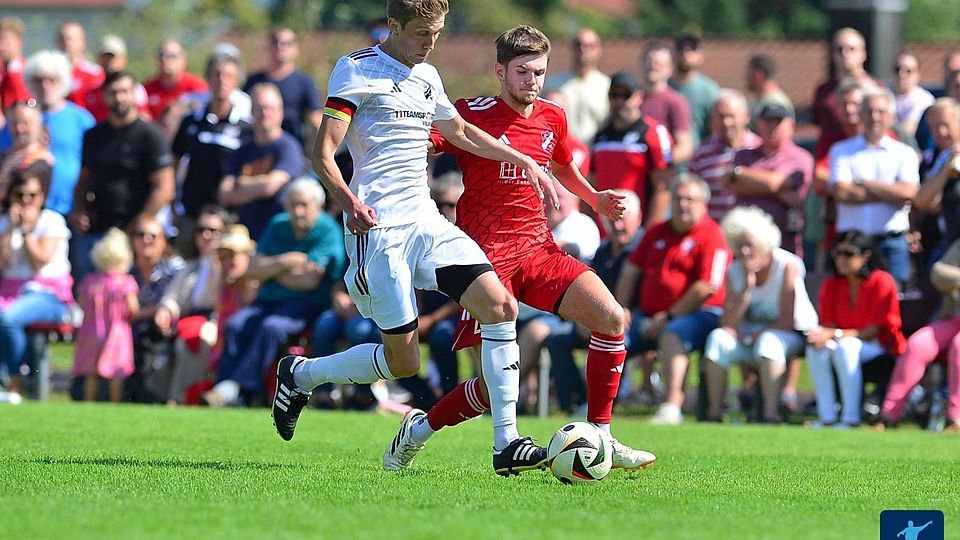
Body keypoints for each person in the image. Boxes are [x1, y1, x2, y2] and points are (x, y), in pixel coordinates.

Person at [271, 1, 561, 478]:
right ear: (394, 26)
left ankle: (506, 443)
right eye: (423, 32)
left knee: (501, 306)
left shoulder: (429, 77)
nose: (431, 42)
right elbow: (322, 153)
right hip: (378, 231)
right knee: (403, 361)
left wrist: (523, 159)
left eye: (438, 33)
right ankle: (300, 375)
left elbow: (460, 131)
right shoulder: (356, 69)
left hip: (426, 223)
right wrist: (349, 203)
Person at [424, 23, 654, 471]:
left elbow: (564, 167)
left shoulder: (553, 116)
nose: (533, 82)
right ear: (500, 71)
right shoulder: (469, 113)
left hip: (537, 249)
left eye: (540, 72)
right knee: (491, 392)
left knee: (611, 318)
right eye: (523, 72)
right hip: (484, 261)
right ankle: (419, 428)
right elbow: (423, 144)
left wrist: (595, 199)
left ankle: (602, 437)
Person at [209, 178, 344, 406]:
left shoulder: (328, 230)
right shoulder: (277, 224)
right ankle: (223, 387)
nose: (297, 211)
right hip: (267, 300)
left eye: (303, 205)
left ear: (318, 205)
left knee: (271, 327)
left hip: (305, 304)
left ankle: (239, 389)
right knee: (236, 324)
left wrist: (270, 269)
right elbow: (252, 269)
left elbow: (310, 281)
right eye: (292, 205)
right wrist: (288, 261)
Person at [614, 173, 730, 425]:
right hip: (648, 314)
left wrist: (669, 316)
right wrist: (621, 309)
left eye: (690, 199)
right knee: (612, 334)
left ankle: (671, 405)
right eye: (678, 198)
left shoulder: (712, 234)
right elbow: (631, 270)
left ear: (704, 204)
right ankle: (597, 405)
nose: (683, 204)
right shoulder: (656, 231)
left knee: (673, 334)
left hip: (700, 314)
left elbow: (707, 286)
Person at [702, 207, 817, 423]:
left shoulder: (787, 265)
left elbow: (787, 320)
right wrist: (745, 291)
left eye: (750, 245)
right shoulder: (734, 271)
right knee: (717, 339)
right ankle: (715, 413)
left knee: (768, 342)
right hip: (749, 339)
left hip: (792, 335)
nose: (745, 251)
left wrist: (755, 336)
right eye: (740, 245)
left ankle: (770, 414)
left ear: (765, 244)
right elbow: (727, 323)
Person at [544, 189, 643, 413]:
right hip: (600, 318)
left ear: (638, 217)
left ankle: (605, 406)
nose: (618, 226)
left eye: (624, 219)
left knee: (618, 340)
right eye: (613, 220)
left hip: (638, 319)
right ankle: (576, 403)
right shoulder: (603, 251)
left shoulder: (645, 248)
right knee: (557, 339)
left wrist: (629, 312)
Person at [70, 70, 175, 282]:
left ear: (134, 94)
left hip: (135, 237)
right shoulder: (94, 136)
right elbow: (82, 181)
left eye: (125, 91)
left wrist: (138, 225)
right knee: (93, 300)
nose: (119, 97)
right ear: (104, 96)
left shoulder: (151, 135)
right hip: (98, 233)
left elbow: (165, 187)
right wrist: (80, 209)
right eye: (113, 92)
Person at [806, 231, 905, 428]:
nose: (841, 259)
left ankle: (851, 419)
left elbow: (873, 331)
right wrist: (824, 335)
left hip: (881, 348)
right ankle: (827, 417)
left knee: (846, 346)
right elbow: (829, 324)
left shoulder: (881, 281)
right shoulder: (832, 284)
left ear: (865, 256)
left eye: (848, 254)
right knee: (816, 348)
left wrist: (835, 334)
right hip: (846, 346)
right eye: (838, 254)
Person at [829, 86, 920, 289]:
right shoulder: (842, 150)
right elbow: (842, 192)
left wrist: (866, 184)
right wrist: (890, 193)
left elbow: (909, 193)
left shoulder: (904, 153)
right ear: (861, 115)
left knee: (895, 301)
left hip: (891, 244)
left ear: (891, 116)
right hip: (852, 245)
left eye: (880, 112)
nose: (875, 117)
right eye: (869, 111)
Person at [0, 165, 74, 404]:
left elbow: (40, 260)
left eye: (32, 195)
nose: (26, 201)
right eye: (20, 195)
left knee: (9, 318)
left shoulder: (52, 221)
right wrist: (11, 229)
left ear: (42, 197)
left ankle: (14, 384)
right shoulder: (4, 224)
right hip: (10, 292)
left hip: (48, 295)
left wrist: (27, 230)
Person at [172, 51, 252, 251]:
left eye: (228, 76)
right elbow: (173, 161)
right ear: (208, 78)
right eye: (217, 74)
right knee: (187, 268)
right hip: (192, 212)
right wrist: (173, 201)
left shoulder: (246, 127)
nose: (222, 81)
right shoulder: (191, 121)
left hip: (230, 215)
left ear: (237, 81)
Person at [879, 238, 960, 432]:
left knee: (959, 347)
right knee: (917, 344)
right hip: (953, 318)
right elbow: (938, 274)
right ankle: (889, 415)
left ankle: (955, 419)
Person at [153, 205, 227, 404]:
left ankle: (181, 397)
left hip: (214, 320)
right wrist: (165, 310)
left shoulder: (225, 266)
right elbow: (172, 298)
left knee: (196, 339)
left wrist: (218, 258)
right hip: (187, 320)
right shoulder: (189, 267)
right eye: (201, 230)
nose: (206, 235)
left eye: (213, 231)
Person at [217, 83, 303, 241]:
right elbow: (225, 193)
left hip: (277, 236)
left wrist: (239, 183)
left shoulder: (288, 147)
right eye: (260, 108)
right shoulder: (242, 150)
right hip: (243, 235)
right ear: (251, 112)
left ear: (281, 112)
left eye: (271, 108)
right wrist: (259, 187)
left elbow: (270, 187)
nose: (265, 113)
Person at [727, 103, 814, 257]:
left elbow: (774, 183)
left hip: (784, 245)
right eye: (768, 122)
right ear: (759, 125)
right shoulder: (743, 155)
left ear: (791, 126)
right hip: (745, 246)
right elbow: (730, 182)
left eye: (778, 122)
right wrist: (778, 193)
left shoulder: (800, 157)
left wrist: (743, 176)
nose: (773, 127)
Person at [590, 71, 672, 228]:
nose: (619, 101)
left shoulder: (653, 133)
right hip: (605, 232)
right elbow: (592, 182)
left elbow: (663, 188)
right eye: (614, 95)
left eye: (626, 95)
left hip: (638, 229)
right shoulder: (600, 136)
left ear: (639, 97)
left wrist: (647, 233)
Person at [23, 50, 96, 216]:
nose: (45, 85)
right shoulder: (23, 118)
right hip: (31, 209)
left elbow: (94, 162)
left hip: (72, 208)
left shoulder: (81, 119)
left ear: (62, 81)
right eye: (38, 79)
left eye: (51, 80)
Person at [72, 228, 139, 403]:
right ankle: (115, 403)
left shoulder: (90, 281)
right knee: (116, 371)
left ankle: (88, 402)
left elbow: (80, 303)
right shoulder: (125, 282)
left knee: (91, 372)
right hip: (117, 332)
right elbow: (133, 308)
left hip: (91, 331)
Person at [688, 88, 761, 221]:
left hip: (749, 232)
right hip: (715, 232)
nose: (726, 123)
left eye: (731, 116)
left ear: (746, 117)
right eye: (721, 117)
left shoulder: (759, 148)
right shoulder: (701, 153)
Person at [244, 27, 322, 149]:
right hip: (256, 152)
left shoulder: (304, 83)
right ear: (268, 46)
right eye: (276, 42)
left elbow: (316, 123)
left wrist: (308, 154)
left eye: (287, 43)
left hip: (292, 152)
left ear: (296, 49)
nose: (281, 46)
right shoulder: (253, 81)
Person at [543, 28, 609, 144]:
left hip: (595, 154)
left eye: (589, 46)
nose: (583, 50)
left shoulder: (607, 86)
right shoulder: (553, 83)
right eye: (578, 45)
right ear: (572, 48)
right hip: (562, 155)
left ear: (599, 49)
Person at [812, 28, 875, 148]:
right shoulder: (823, 91)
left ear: (863, 54)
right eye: (840, 49)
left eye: (851, 49)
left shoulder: (875, 90)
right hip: (829, 154)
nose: (845, 54)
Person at [914, 98, 960, 251]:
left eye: (946, 125)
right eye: (935, 127)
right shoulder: (930, 160)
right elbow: (924, 202)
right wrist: (948, 168)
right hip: (943, 239)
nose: (942, 132)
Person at [640, 41, 693, 165]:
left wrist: (658, 163)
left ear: (670, 69)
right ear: (641, 63)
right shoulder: (632, 99)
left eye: (660, 64)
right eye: (650, 62)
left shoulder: (676, 102)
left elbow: (685, 147)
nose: (653, 67)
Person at [81, 35, 151, 122]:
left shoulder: (135, 88)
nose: (109, 62)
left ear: (123, 59)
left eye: (112, 58)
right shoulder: (93, 88)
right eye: (105, 58)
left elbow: (143, 117)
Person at [670, 32, 718, 148]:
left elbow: (715, 130)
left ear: (700, 55)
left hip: (699, 159)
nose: (686, 52)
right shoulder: (663, 87)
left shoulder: (709, 90)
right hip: (666, 159)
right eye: (681, 48)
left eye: (692, 48)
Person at [144, 40, 208, 121]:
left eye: (172, 56)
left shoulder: (199, 88)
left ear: (183, 61)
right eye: (161, 55)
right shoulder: (145, 90)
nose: (165, 59)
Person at [0, 101, 54, 197]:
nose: (19, 128)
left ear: (39, 125)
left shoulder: (41, 160)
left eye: (26, 123)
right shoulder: (4, 156)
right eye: (14, 123)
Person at [56, 21, 104, 107]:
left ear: (82, 42)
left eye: (70, 39)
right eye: (62, 39)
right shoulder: (50, 72)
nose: (66, 43)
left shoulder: (95, 73)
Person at [745, 53, 793, 130]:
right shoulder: (759, 100)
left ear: (759, 74)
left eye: (748, 72)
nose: (746, 77)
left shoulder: (775, 102)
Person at [892, 52, 935, 139]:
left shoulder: (924, 99)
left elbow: (907, 132)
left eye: (908, 71)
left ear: (918, 74)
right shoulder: (886, 95)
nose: (902, 74)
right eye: (897, 69)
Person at [0, 17, 30, 111]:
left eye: (6, 42)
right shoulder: (4, 70)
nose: (1, 47)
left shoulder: (24, 72)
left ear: (19, 43)